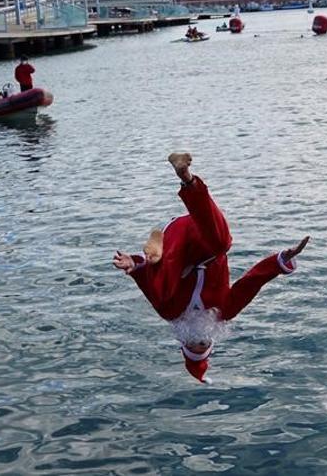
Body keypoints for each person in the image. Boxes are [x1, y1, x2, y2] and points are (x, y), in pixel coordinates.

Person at [112, 153, 310, 383]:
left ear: (184, 341)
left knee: (164, 290)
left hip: (178, 248)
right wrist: (282, 259)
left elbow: (147, 286)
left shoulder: (171, 312)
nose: (200, 340)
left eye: (195, 346)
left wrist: (134, 264)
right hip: (205, 241)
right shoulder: (225, 310)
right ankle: (187, 179)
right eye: (204, 344)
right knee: (222, 243)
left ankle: (154, 255)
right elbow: (252, 282)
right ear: (212, 340)